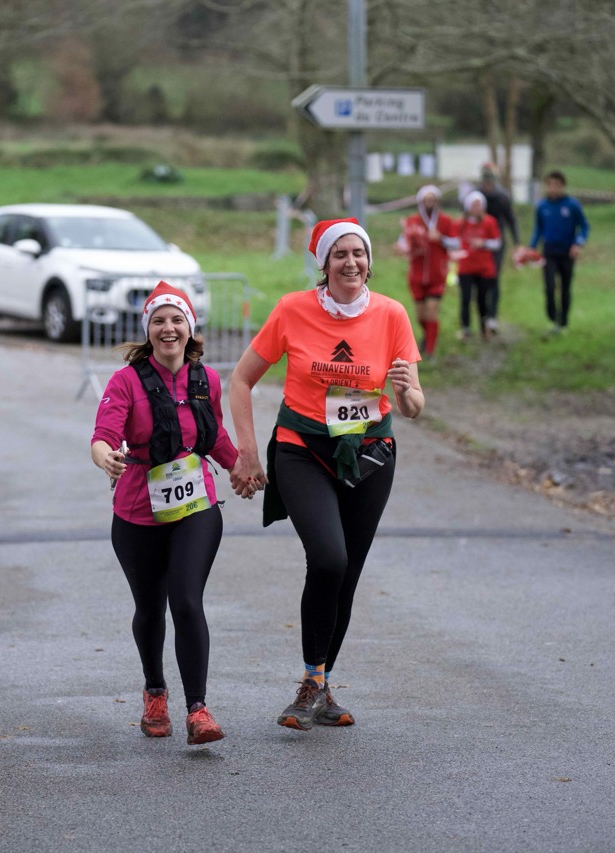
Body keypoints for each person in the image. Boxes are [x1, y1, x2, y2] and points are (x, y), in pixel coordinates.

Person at [229, 219, 425, 731]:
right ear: (324, 263)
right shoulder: (293, 310)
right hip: (303, 450)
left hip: (370, 453)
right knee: (328, 557)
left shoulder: (392, 314)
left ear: (369, 261)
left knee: (348, 573)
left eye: (359, 253)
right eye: (340, 254)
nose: (351, 262)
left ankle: (320, 682)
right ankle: (312, 682)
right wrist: (247, 451)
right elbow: (241, 380)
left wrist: (405, 391)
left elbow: (413, 407)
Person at [90, 281, 249, 746]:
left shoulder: (207, 380)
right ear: (148, 330)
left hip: (195, 507)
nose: (168, 328)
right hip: (137, 513)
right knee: (150, 608)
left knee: (186, 601)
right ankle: (155, 691)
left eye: (177, 319)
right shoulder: (125, 381)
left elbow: (213, 435)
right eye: (158, 320)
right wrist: (105, 457)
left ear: (189, 327)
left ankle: (198, 709)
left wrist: (240, 467)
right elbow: (103, 435)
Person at [395, 185, 460, 358]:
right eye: (426, 199)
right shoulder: (412, 221)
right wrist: (402, 247)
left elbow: (456, 243)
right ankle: (427, 336)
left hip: (437, 274)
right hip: (416, 275)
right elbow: (402, 241)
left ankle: (430, 350)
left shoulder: (445, 221)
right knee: (420, 315)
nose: (429, 202)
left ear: (437, 201)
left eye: (432, 199)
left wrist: (441, 239)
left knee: (432, 312)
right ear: (421, 201)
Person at [529, 170, 590, 337]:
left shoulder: (572, 205)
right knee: (549, 287)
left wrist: (578, 243)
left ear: (563, 186)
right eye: (550, 185)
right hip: (549, 252)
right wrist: (532, 247)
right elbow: (538, 228)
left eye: (556, 185)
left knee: (565, 287)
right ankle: (552, 316)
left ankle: (562, 322)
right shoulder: (542, 206)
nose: (553, 189)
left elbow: (584, 226)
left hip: (567, 252)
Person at [478, 162, 519, 334]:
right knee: (479, 282)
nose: (487, 182)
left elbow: (511, 219)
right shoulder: (476, 195)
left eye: (490, 179)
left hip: (496, 245)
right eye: (485, 178)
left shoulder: (502, 196)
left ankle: (492, 316)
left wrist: (517, 242)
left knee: (494, 279)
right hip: (477, 245)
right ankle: (482, 316)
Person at [455, 191, 503, 341]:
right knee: (465, 298)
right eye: (474, 205)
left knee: (482, 299)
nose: (477, 208)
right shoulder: (461, 223)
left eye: (479, 205)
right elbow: (454, 241)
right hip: (466, 267)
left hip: (484, 268)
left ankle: (484, 327)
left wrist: (484, 243)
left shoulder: (489, 222)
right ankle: (465, 328)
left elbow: (497, 243)